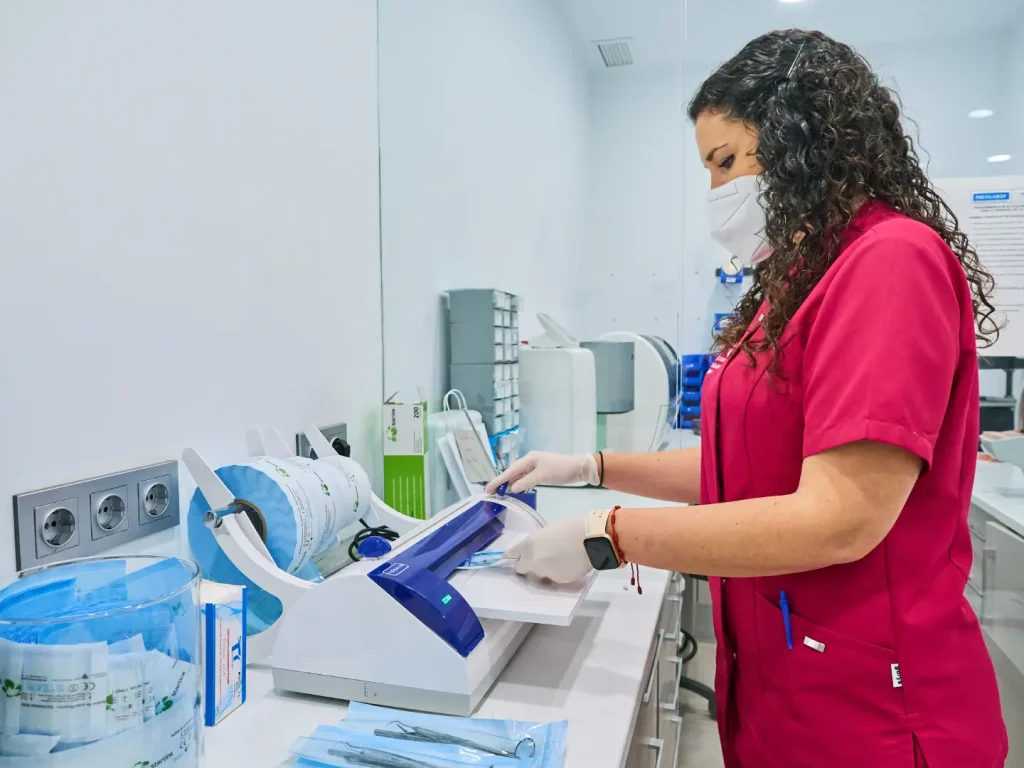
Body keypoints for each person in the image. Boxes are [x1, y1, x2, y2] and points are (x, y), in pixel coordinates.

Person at [487, 29, 1007, 768]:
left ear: (803, 139)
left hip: (875, 711)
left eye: (727, 162)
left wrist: (610, 533)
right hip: (782, 688)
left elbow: (840, 519)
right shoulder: (794, 286)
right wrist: (590, 465)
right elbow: (741, 469)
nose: (717, 194)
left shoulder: (889, 263)